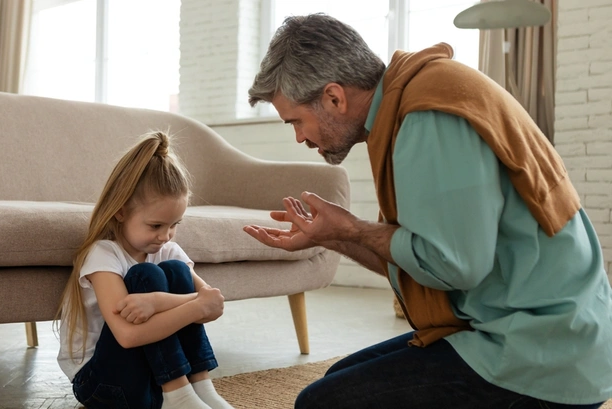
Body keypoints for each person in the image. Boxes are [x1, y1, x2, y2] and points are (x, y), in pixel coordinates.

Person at [244, 13, 612, 409]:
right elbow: (421, 263)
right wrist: (335, 235)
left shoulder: (427, 115)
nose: (299, 137)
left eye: (296, 121)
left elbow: (453, 267)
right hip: (522, 328)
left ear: (334, 97)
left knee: (322, 403)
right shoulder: (415, 99)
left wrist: (352, 228)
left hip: (541, 351)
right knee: (337, 381)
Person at [56, 131, 234, 409]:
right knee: (145, 277)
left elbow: (213, 304)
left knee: (174, 270)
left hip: (152, 378)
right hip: (102, 384)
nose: (166, 236)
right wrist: (193, 305)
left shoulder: (167, 250)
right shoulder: (103, 254)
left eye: (175, 225)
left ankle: (200, 389)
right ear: (121, 211)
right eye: (156, 226)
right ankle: (179, 397)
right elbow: (128, 336)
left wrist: (158, 302)